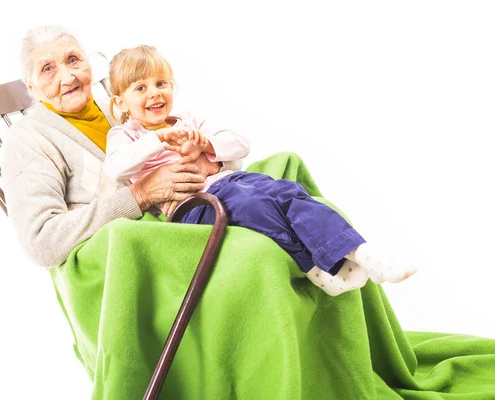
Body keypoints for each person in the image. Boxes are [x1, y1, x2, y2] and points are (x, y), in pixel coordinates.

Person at [103, 45, 418, 296]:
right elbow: (116, 168)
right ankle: (314, 268)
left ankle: (360, 252)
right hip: (193, 207)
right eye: (140, 88)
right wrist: (157, 139)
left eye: (160, 83)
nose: (154, 93)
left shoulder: (190, 120)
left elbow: (240, 143)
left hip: (232, 181)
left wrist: (206, 147)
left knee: (288, 192)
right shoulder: (127, 135)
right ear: (121, 102)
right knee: (251, 206)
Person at [1, 26, 242, 268]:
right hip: (124, 256)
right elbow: (42, 243)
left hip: (191, 214)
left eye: (73, 60)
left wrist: (204, 164)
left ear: (89, 65)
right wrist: (140, 195)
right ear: (30, 87)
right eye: (47, 69)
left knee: (277, 172)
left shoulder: (128, 107)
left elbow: (229, 149)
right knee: (253, 251)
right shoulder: (28, 138)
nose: (67, 77)